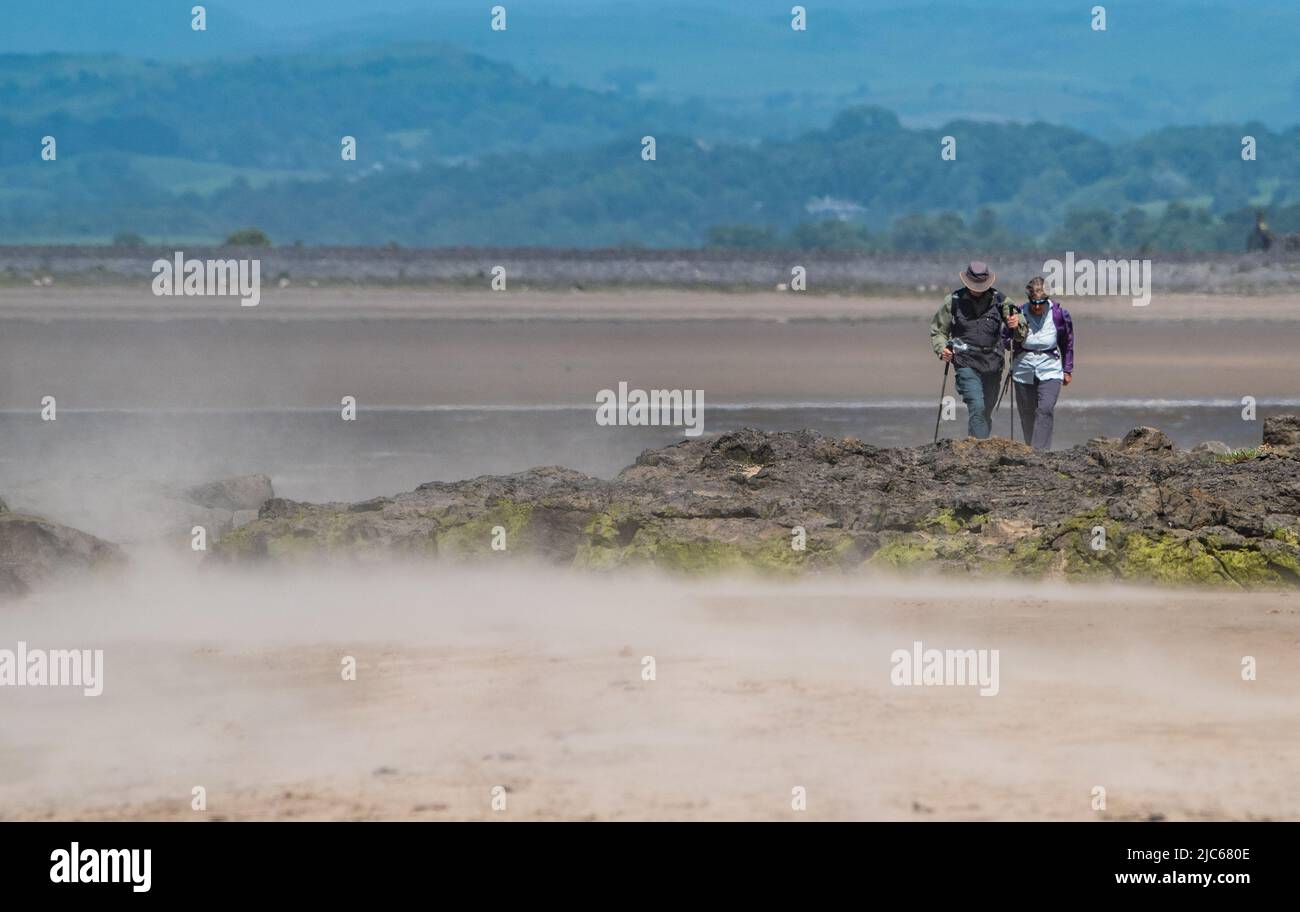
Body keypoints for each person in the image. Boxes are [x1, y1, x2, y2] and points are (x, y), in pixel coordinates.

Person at [929, 261, 1022, 439]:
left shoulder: (1001, 300)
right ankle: (981, 449)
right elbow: (939, 330)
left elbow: (1019, 323)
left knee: (986, 410)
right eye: (974, 286)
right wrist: (942, 350)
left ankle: (975, 448)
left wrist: (1016, 322)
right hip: (965, 361)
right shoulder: (953, 301)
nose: (978, 290)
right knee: (977, 406)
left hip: (993, 363)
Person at [1005, 276, 1074, 450]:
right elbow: (1006, 342)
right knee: (1027, 414)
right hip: (1023, 369)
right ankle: (1030, 448)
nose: (1037, 306)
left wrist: (1067, 369)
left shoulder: (1059, 315)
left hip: (1050, 368)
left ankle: (1040, 452)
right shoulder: (1018, 313)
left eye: (1041, 302)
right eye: (1033, 302)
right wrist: (1010, 328)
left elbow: (1067, 343)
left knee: (1045, 409)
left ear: (1047, 299)